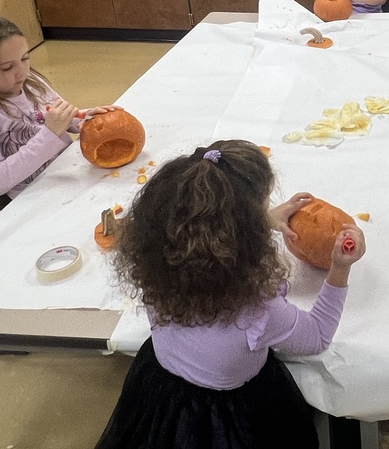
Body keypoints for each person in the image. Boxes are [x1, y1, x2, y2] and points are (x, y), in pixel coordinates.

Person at [96, 140, 365, 449]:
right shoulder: (259, 310)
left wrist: (262, 219)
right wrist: (340, 269)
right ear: (245, 230)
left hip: (160, 390)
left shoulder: (155, 265)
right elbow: (317, 336)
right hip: (234, 415)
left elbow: (196, 227)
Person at [0, 8, 116, 210]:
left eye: (25, 58)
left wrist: (86, 118)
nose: (22, 72)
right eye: (7, 67)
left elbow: (58, 117)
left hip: (69, 174)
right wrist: (50, 133)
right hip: (38, 201)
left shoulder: (31, 82)